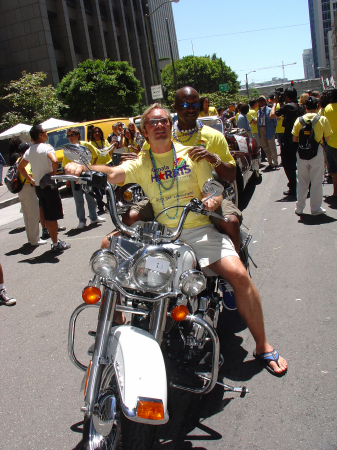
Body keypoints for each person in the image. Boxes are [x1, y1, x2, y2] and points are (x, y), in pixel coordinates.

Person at [65, 104, 288, 376]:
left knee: (239, 275)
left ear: (170, 126)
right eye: (152, 123)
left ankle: (263, 345)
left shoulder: (191, 155)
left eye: (163, 121)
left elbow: (214, 190)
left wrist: (211, 201)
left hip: (196, 229)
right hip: (158, 233)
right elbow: (112, 173)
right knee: (109, 249)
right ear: (144, 131)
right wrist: (83, 166)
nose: (159, 126)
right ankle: (116, 322)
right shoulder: (141, 162)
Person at [128, 86, 241, 252]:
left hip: (205, 193)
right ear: (175, 108)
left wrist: (212, 158)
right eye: (185, 105)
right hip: (163, 194)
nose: (191, 109)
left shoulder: (213, 135)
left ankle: (232, 264)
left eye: (195, 105)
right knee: (130, 218)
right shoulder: (160, 132)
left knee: (230, 221)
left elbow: (231, 175)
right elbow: (143, 163)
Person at [17, 125, 71, 253]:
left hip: (38, 187)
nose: (46, 134)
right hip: (49, 186)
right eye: (44, 132)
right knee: (52, 216)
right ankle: (56, 243)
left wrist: (31, 180)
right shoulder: (47, 147)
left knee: (46, 214)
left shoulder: (29, 151)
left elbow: (20, 167)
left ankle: (54, 241)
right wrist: (52, 173)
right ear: (40, 135)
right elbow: (54, 159)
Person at [292, 96, 332, 215]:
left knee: (302, 181)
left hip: (301, 152)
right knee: (316, 182)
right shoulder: (322, 119)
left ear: (305, 107)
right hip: (317, 152)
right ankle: (315, 209)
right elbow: (327, 138)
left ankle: (299, 208)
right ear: (317, 106)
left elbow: (295, 139)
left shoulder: (299, 120)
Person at [63, 128, 106, 228]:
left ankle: (94, 217)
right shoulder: (68, 148)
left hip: (86, 174)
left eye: (72, 135)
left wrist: (91, 167)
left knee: (90, 196)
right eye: (68, 136)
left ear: (78, 135)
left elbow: (96, 154)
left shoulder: (85, 144)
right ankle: (82, 221)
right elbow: (66, 165)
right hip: (74, 176)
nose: (70, 137)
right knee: (78, 199)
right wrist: (68, 180)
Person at [270, 87, 305, 196]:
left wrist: (274, 104)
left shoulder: (287, 106)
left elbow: (272, 115)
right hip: (300, 138)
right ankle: (303, 186)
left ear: (288, 97)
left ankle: (293, 187)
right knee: (300, 163)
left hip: (288, 139)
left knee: (288, 164)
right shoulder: (300, 107)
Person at [16, 143, 46, 245]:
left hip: (21, 190)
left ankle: (31, 238)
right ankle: (35, 239)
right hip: (28, 188)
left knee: (27, 215)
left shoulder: (18, 160)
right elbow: (27, 172)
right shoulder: (26, 161)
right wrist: (33, 180)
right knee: (33, 214)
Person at [88, 126, 111, 212]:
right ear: (92, 134)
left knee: (109, 187)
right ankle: (100, 207)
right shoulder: (90, 144)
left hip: (108, 165)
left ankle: (110, 205)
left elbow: (110, 151)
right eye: (95, 132)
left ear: (101, 133)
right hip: (97, 168)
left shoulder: (104, 141)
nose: (97, 133)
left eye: (98, 132)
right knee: (98, 189)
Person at [257, 95, 278, 170]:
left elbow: (274, 121)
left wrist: (274, 130)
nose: (261, 102)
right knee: (265, 147)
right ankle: (270, 163)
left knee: (272, 147)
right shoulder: (258, 112)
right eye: (260, 101)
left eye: (263, 100)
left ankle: (276, 163)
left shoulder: (269, 110)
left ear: (265, 101)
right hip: (261, 129)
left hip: (269, 129)